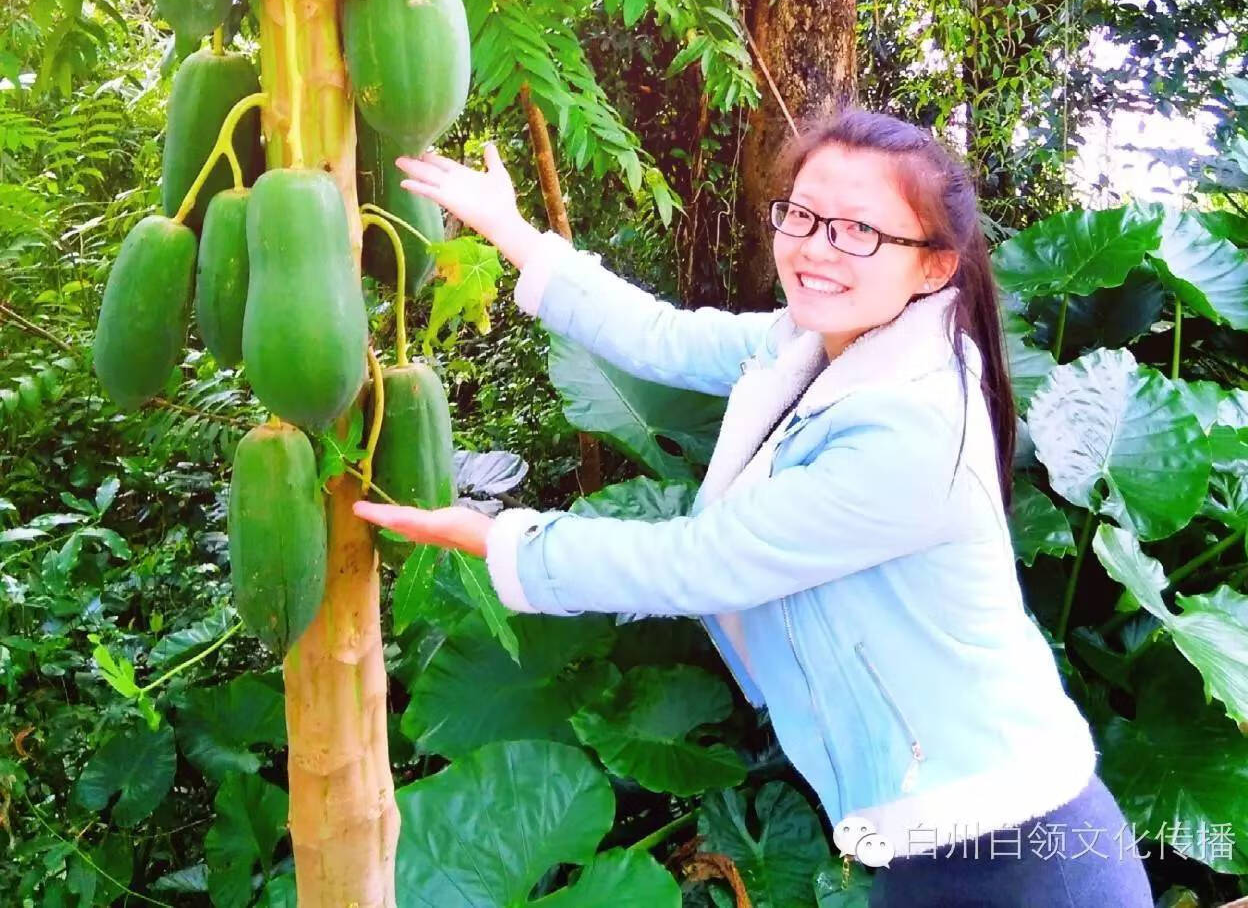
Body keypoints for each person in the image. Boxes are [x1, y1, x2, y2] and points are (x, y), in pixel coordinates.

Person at [353, 106, 1156, 907]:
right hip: (933, 845)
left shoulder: (910, 425)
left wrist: (502, 541)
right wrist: (511, 230)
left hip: (1020, 860)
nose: (815, 247)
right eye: (801, 215)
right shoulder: (813, 345)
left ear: (935, 265)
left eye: (858, 231)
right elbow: (661, 337)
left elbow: (702, 564)